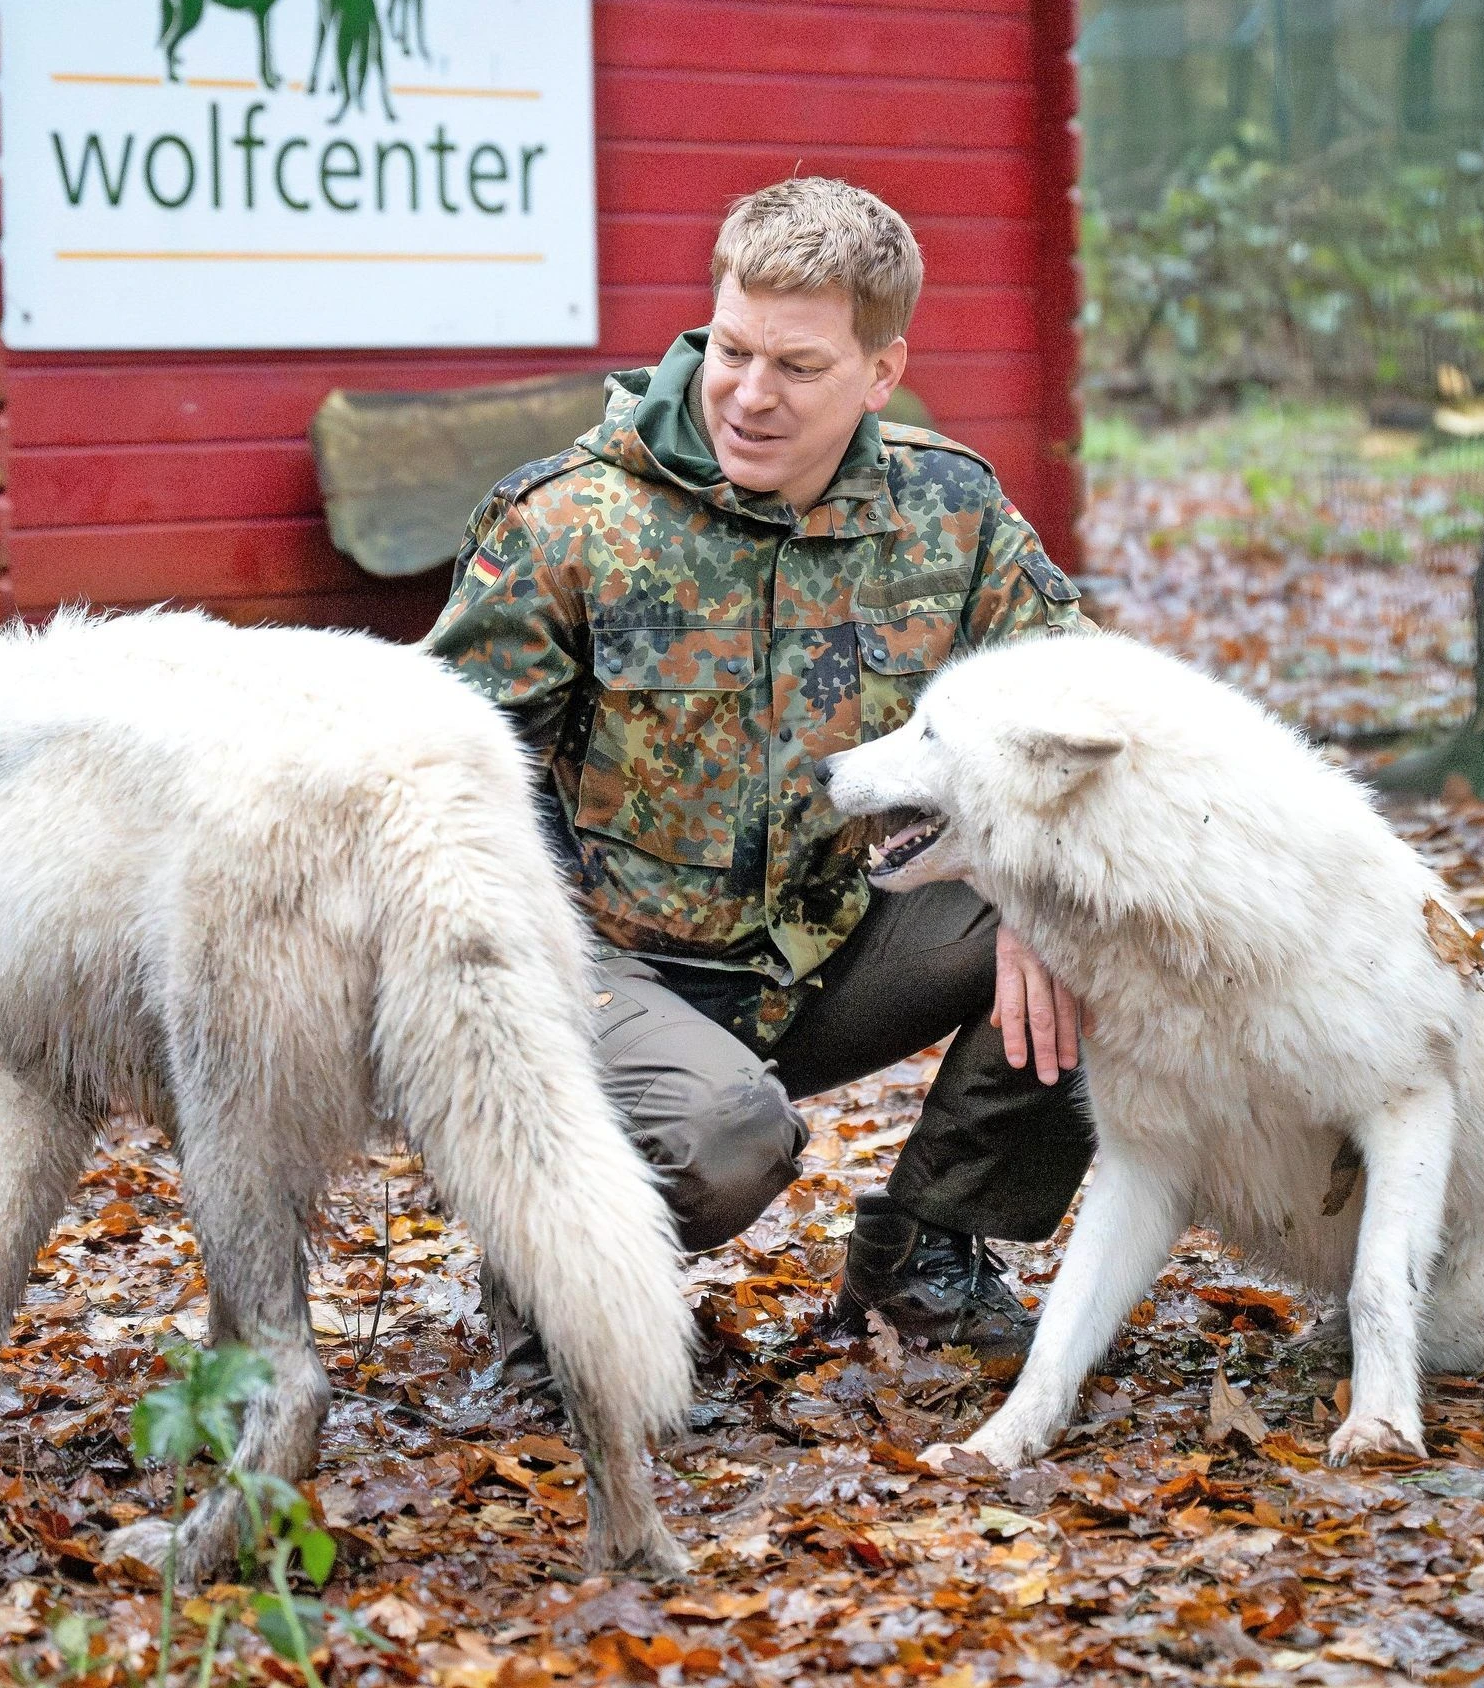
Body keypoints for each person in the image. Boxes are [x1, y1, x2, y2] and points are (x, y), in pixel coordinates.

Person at [427, 177, 1094, 1354]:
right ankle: (548, 1284)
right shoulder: (573, 524)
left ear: (880, 374)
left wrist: (1047, 886)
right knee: (725, 1138)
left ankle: (928, 1249)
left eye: (797, 366)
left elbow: (1084, 707)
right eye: (730, 348)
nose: (747, 393)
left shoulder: (952, 514)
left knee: (1120, 913)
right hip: (614, 976)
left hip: (836, 944)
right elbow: (424, 784)